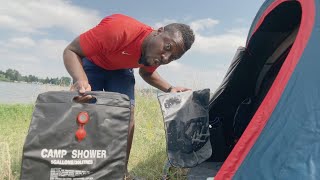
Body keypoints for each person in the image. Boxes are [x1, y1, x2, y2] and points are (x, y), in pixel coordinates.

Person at [63, 13, 195, 174]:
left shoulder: (154, 54)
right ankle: (76, 166)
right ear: (159, 31)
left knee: (126, 115)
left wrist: (170, 88)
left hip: (120, 71)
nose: (165, 58)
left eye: (172, 57)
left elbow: (146, 73)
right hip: (93, 62)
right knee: (83, 110)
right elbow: (71, 50)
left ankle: (120, 170)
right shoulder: (119, 29)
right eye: (168, 47)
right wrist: (80, 80)